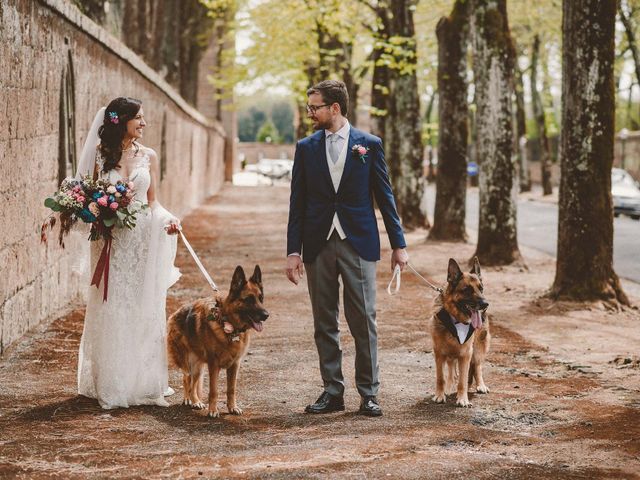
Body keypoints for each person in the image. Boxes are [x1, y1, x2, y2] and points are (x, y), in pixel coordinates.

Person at [286, 80, 409, 417]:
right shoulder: (306, 147)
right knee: (324, 320)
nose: (310, 113)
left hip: (359, 242)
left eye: (315, 107)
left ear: (335, 108)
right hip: (317, 243)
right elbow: (297, 203)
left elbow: (386, 197)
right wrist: (293, 251)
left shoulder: (369, 145)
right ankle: (332, 390)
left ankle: (369, 393)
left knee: (363, 319)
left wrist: (399, 244)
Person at [75, 97, 181, 409]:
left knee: (141, 304)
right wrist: (96, 212)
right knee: (112, 305)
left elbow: (153, 203)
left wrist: (168, 220)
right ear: (121, 120)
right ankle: (112, 381)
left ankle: (143, 380)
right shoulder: (99, 155)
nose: (144, 124)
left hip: (142, 241)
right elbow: (86, 197)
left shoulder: (149, 156)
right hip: (110, 242)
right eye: (139, 118)